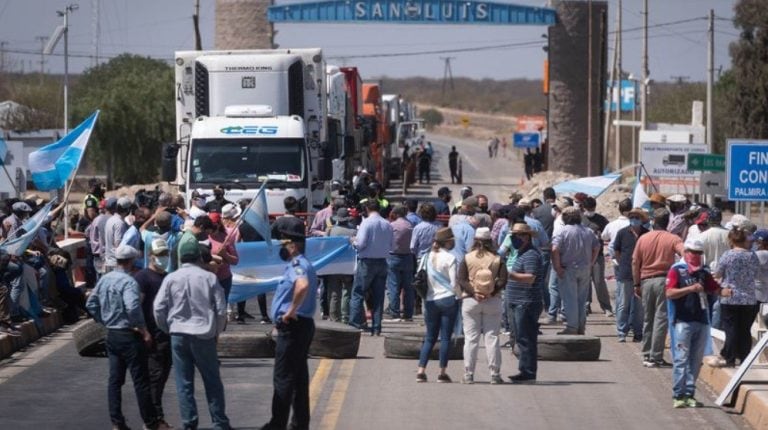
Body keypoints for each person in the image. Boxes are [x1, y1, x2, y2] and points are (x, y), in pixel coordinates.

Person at [153, 236, 231, 430]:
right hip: (204, 334)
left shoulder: (171, 278)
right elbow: (221, 310)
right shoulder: (209, 278)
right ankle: (219, 422)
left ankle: (189, 423)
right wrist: (216, 331)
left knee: (184, 383)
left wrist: (167, 328)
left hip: (178, 334)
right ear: (199, 256)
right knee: (212, 381)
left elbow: (158, 308)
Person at [86, 245, 162, 430]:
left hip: (112, 334)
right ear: (130, 261)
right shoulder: (129, 282)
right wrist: (144, 331)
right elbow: (132, 308)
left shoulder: (105, 279)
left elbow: (91, 303)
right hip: (129, 335)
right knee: (141, 381)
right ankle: (151, 422)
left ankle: (117, 422)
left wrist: (103, 320)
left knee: (115, 380)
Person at [261, 228, 318, 430]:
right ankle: (300, 424)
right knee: (299, 379)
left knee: (283, 378)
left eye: (284, 245)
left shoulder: (297, 265)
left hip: (293, 327)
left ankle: (277, 424)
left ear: (292, 246)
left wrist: (290, 311)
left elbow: (301, 285)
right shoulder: (304, 264)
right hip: (302, 327)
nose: (282, 249)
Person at [666, 238, 730, 408]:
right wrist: (689, 289)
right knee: (681, 359)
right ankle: (678, 394)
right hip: (683, 321)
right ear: (686, 253)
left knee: (695, 360)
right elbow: (670, 293)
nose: (695, 255)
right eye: (692, 252)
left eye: (699, 253)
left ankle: (689, 393)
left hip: (701, 321)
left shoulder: (703, 273)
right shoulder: (677, 271)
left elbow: (715, 289)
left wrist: (728, 291)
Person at [632, 208, 684, 368]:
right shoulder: (673, 238)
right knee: (661, 319)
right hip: (664, 280)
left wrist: (636, 283)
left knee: (648, 318)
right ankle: (656, 356)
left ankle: (646, 354)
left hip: (646, 281)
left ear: (653, 221)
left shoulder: (643, 238)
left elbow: (635, 262)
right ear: (667, 221)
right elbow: (685, 254)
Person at [457, 227, 507, 385]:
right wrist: (491, 293)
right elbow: (503, 279)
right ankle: (494, 374)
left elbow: (462, 279)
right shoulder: (497, 258)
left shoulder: (467, 257)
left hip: (471, 301)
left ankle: (469, 373)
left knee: (471, 339)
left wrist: (474, 293)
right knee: (491, 338)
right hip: (493, 300)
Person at [133, 239, 174, 429]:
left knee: (162, 377)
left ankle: (156, 417)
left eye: (166, 254)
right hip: (152, 337)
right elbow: (136, 307)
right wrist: (143, 331)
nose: (163, 258)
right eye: (160, 255)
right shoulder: (143, 278)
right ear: (151, 255)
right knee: (154, 379)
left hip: (167, 336)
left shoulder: (167, 277)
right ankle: (155, 419)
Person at [710, 228, 760, 368]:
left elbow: (719, 273)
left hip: (730, 296)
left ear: (731, 240)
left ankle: (730, 358)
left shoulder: (728, 255)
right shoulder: (752, 256)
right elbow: (755, 273)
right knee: (744, 329)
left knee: (730, 328)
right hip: (748, 297)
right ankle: (744, 358)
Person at [416, 227, 460, 383]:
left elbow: (420, 277)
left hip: (430, 300)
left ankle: (421, 371)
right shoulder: (450, 258)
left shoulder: (425, 257)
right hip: (448, 299)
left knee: (429, 337)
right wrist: (460, 296)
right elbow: (455, 283)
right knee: (445, 338)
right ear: (448, 242)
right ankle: (442, 372)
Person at [551, 207, 600, 335]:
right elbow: (597, 246)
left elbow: (555, 249)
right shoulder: (588, 231)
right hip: (585, 269)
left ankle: (572, 327)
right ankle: (580, 327)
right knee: (581, 299)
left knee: (569, 299)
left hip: (568, 269)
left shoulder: (562, 231)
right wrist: (591, 263)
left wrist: (557, 267)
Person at [506, 223, 544, 384]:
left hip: (526, 301)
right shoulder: (521, 253)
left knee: (526, 338)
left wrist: (508, 274)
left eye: (518, 235)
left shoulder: (531, 255)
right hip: (517, 300)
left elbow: (530, 278)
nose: (515, 239)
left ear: (527, 237)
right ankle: (525, 369)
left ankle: (528, 372)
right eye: (513, 235)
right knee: (521, 337)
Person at [350, 200, 393, 335]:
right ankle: (376, 327)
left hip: (367, 262)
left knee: (358, 294)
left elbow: (361, 243)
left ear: (367, 209)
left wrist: (353, 242)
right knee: (378, 297)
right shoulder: (387, 224)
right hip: (382, 262)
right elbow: (392, 245)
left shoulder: (366, 223)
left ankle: (355, 324)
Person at [612, 208, 648, 342]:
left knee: (639, 307)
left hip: (642, 274)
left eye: (637, 217)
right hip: (625, 274)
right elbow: (617, 250)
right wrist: (623, 264)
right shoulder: (622, 233)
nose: (634, 219)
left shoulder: (646, 234)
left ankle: (638, 332)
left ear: (642, 219)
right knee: (623, 304)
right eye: (632, 217)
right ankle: (622, 331)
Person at [581, 196, 613, 316]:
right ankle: (586, 305)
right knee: (585, 281)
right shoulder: (580, 219)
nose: (590, 210)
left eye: (592, 208)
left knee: (599, 281)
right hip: (583, 256)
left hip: (598, 256)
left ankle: (606, 307)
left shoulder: (601, 219)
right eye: (588, 208)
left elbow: (608, 234)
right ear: (583, 208)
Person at [208, 213, 240, 322]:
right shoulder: (203, 237)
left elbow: (235, 260)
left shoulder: (226, 238)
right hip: (208, 278)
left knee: (221, 308)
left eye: (213, 225)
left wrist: (225, 255)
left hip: (223, 279)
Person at [327, 208, 357, 323]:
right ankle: (346, 316)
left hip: (334, 265)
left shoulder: (330, 231)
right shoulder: (353, 232)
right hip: (348, 266)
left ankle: (334, 317)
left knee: (334, 293)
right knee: (347, 292)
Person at [387, 205, 415, 321]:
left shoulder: (392, 226)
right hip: (408, 257)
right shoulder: (410, 225)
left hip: (393, 256)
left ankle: (395, 313)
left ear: (396, 214)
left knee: (393, 286)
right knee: (408, 287)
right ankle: (408, 313)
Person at [104, 197, 132, 272]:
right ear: (127, 210)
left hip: (109, 261)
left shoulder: (111, 219)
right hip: (115, 264)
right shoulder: (120, 223)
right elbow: (119, 246)